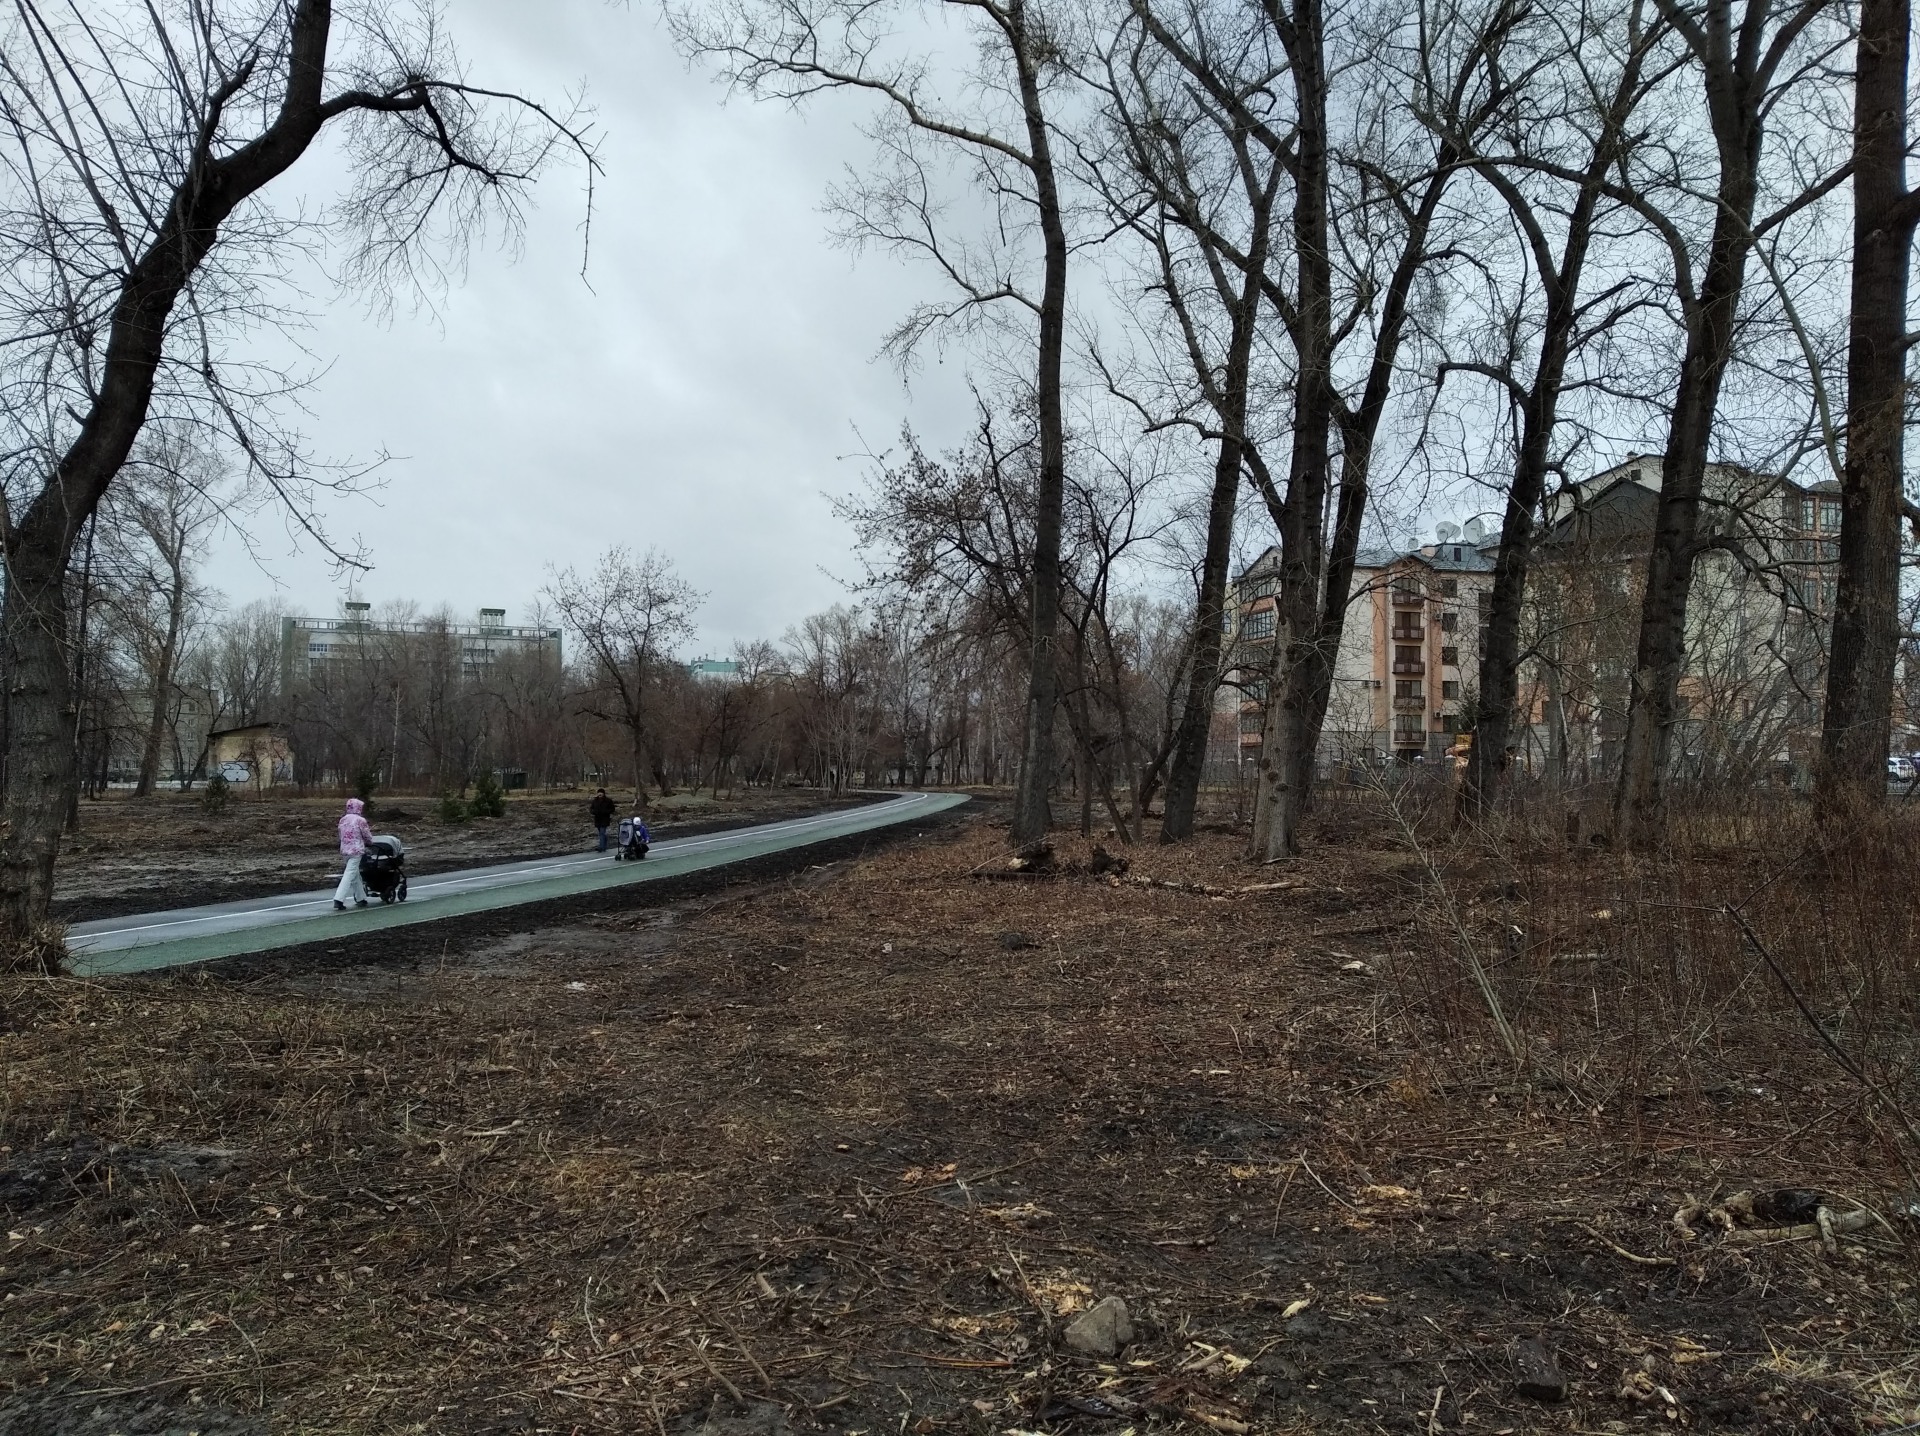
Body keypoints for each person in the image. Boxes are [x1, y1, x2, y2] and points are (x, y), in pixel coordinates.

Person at [333, 796, 372, 910]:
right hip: (356, 850)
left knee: (355, 874)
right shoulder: (360, 820)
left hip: (345, 850)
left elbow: (340, 835)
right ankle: (339, 899)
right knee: (349, 874)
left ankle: (361, 898)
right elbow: (366, 834)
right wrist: (370, 842)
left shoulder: (343, 820)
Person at [589, 787, 616, 852]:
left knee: (602, 833)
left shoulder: (608, 801)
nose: (599, 794)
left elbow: (612, 809)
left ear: (603, 793)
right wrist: (593, 812)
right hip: (597, 819)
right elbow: (591, 808)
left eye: (601, 793)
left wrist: (606, 812)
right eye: (598, 793)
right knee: (602, 833)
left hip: (605, 819)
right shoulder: (595, 800)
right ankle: (604, 845)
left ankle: (601, 847)